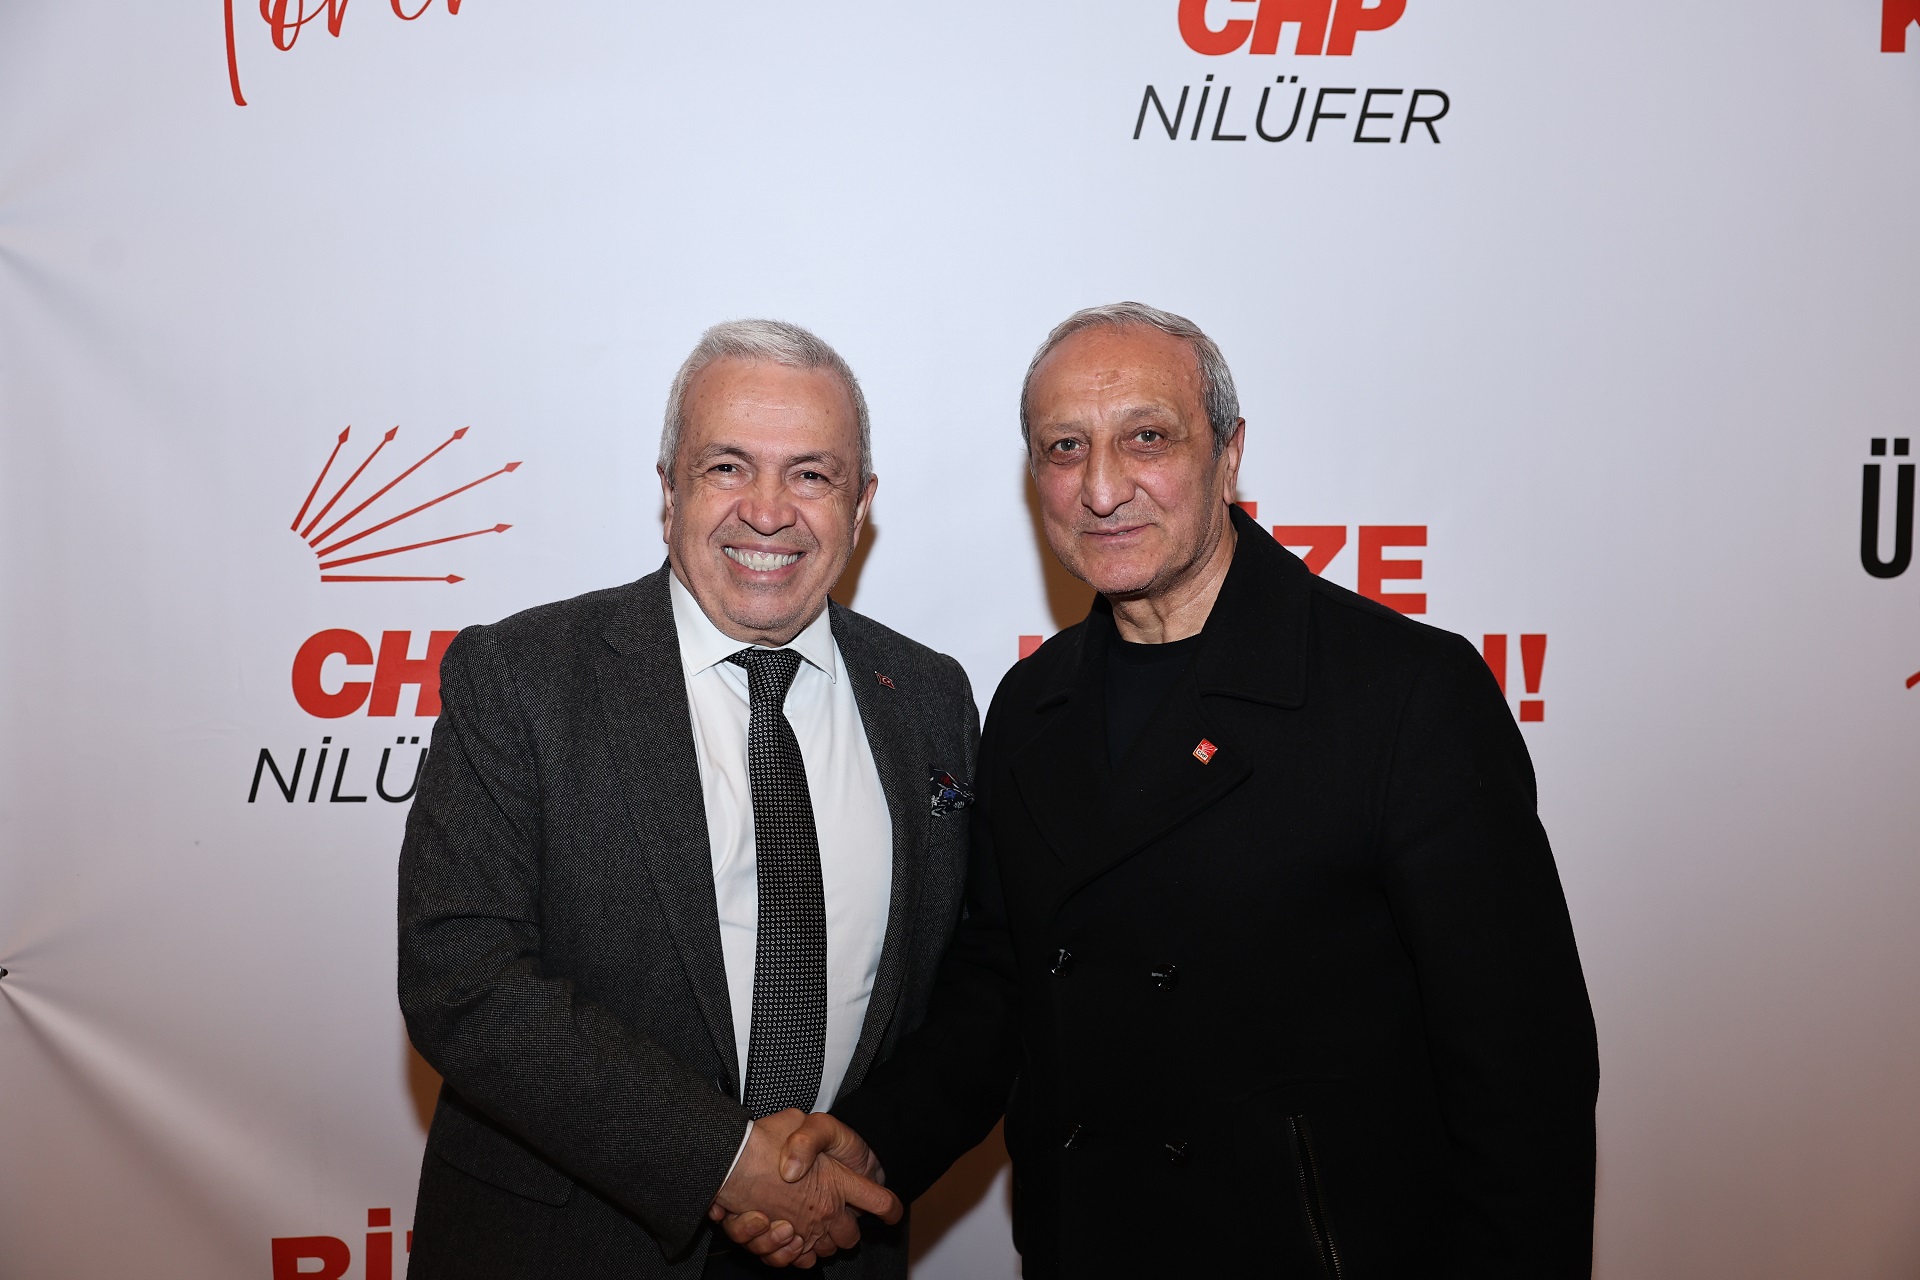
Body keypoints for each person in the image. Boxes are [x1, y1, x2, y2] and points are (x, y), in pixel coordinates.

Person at [728, 302, 1601, 1276]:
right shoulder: (1031, 703)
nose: (1103, 488)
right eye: (1065, 447)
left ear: (1229, 456)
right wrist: (876, 1138)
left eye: (1146, 437)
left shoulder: (1404, 695)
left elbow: (1525, 1077)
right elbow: (1005, 983)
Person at [398, 319, 980, 1278]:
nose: (767, 512)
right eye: (726, 467)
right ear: (669, 490)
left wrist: (871, 1148)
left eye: (811, 474)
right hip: (572, 1249)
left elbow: (967, 978)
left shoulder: (929, 697)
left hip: (838, 1240)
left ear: (862, 504)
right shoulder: (521, 676)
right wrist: (726, 1161)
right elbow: (462, 979)